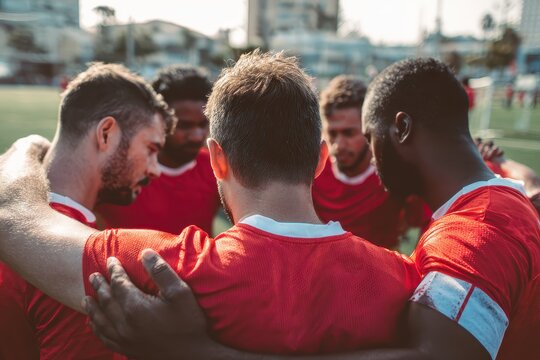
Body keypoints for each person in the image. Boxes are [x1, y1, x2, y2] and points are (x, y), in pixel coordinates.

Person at [84, 58, 540, 360]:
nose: (365, 154)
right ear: (319, 157)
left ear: (399, 128)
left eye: (367, 133)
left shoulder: (482, 224)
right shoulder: (482, 213)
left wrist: (196, 352)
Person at [0, 51, 421, 354]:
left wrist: (28, 147)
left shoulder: (169, 269)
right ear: (320, 159)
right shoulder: (406, 280)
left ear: (216, 159)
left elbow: (12, 215)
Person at [0, 63, 175, 359]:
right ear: (106, 133)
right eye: (151, 148)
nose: (156, 170)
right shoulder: (76, 261)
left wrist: (26, 146)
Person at [97, 65, 220, 234]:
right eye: (184, 125)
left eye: (203, 124)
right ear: (157, 120)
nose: (198, 136)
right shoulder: (118, 171)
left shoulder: (217, 169)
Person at [314, 75, 426, 248]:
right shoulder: (311, 172)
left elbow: (424, 221)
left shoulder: (396, 171)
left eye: (349, 133)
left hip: (379, 273)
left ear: (369, 129)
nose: (338, 144)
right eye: (332, 133)